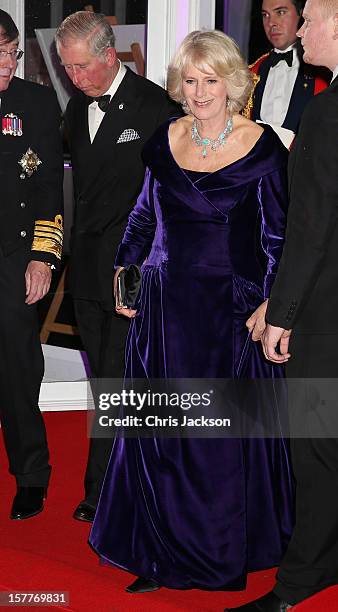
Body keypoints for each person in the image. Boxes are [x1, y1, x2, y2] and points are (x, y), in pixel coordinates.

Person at [89, 30, 294, 595]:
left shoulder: (264, 146)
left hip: (230, 314)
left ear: (233, 84)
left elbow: (280, 236)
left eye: (211, 80)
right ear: (178, 85)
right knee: (163, 436)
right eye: (190, 80)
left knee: (216, 443)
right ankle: (158, 552)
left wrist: (272, 301)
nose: (200, 92)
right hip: (164, 309)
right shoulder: (165, 139)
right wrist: (125, 269)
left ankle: (217, 552)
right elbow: (142, 216)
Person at [227, 1, 338, 610]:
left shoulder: (325, 113)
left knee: (317, 447)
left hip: (324, 311)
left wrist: (282, 312)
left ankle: (301, 580)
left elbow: (312, 226)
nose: (301, 30)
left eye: (312, 19)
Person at [55, 11, 179, 524]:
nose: (75, 79)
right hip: (85, 270)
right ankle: (106, 485)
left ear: (109, 55)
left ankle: (110, 488)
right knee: (103, 382)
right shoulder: (73, 110)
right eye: (67, 69)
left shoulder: (157, 107)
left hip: (133, 269)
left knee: (122, 381)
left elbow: (171, 198)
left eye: (82, 68)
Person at [0, 10, 64, 520]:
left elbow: (48, 190)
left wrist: (44, 257)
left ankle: (31, 476)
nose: (5, 62)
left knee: (19, 371)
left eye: (11, 51)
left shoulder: (38, 104)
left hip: (14, 257)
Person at [248, 0, 328, 132]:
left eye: (280, 12)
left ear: (302, 15)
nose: (271, 23)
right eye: (265, 15)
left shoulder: (323, 72)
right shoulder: (252, 72)